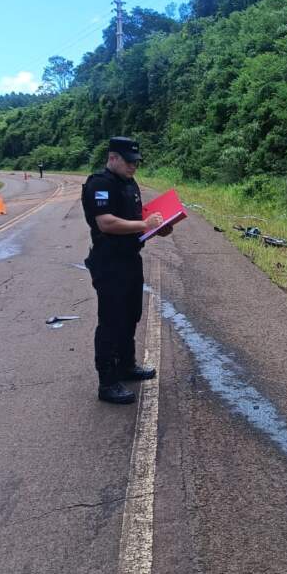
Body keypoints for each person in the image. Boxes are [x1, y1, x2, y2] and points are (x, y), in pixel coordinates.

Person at [81, 136, 169, 404]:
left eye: (136, 162)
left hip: (131, 259)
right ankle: (107, 382)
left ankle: (126, 365)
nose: (134, 167)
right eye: (129, 162)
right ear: (113, 158)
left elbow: (136, 223)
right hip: (109, 263)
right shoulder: (100, 184)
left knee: (131, 314)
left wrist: (157, 228)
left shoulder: (129, 184)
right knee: (111, 321)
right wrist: (145, 225)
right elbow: (106, 223)